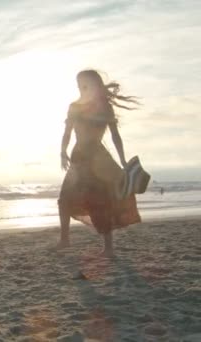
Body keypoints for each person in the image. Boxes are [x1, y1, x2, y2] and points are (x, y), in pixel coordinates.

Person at [57, 70, 142, 257]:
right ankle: (64, 240)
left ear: (94, 85)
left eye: (84, 84)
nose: (81, 88)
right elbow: (67, 133)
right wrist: (63, 152)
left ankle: (108, 248)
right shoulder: (74, 107)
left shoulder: (104, 108)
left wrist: (122, 159)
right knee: (64, 199)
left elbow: (115, 136)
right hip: (78, 157)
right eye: (78, 85)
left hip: (98, 158)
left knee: (100, 202)